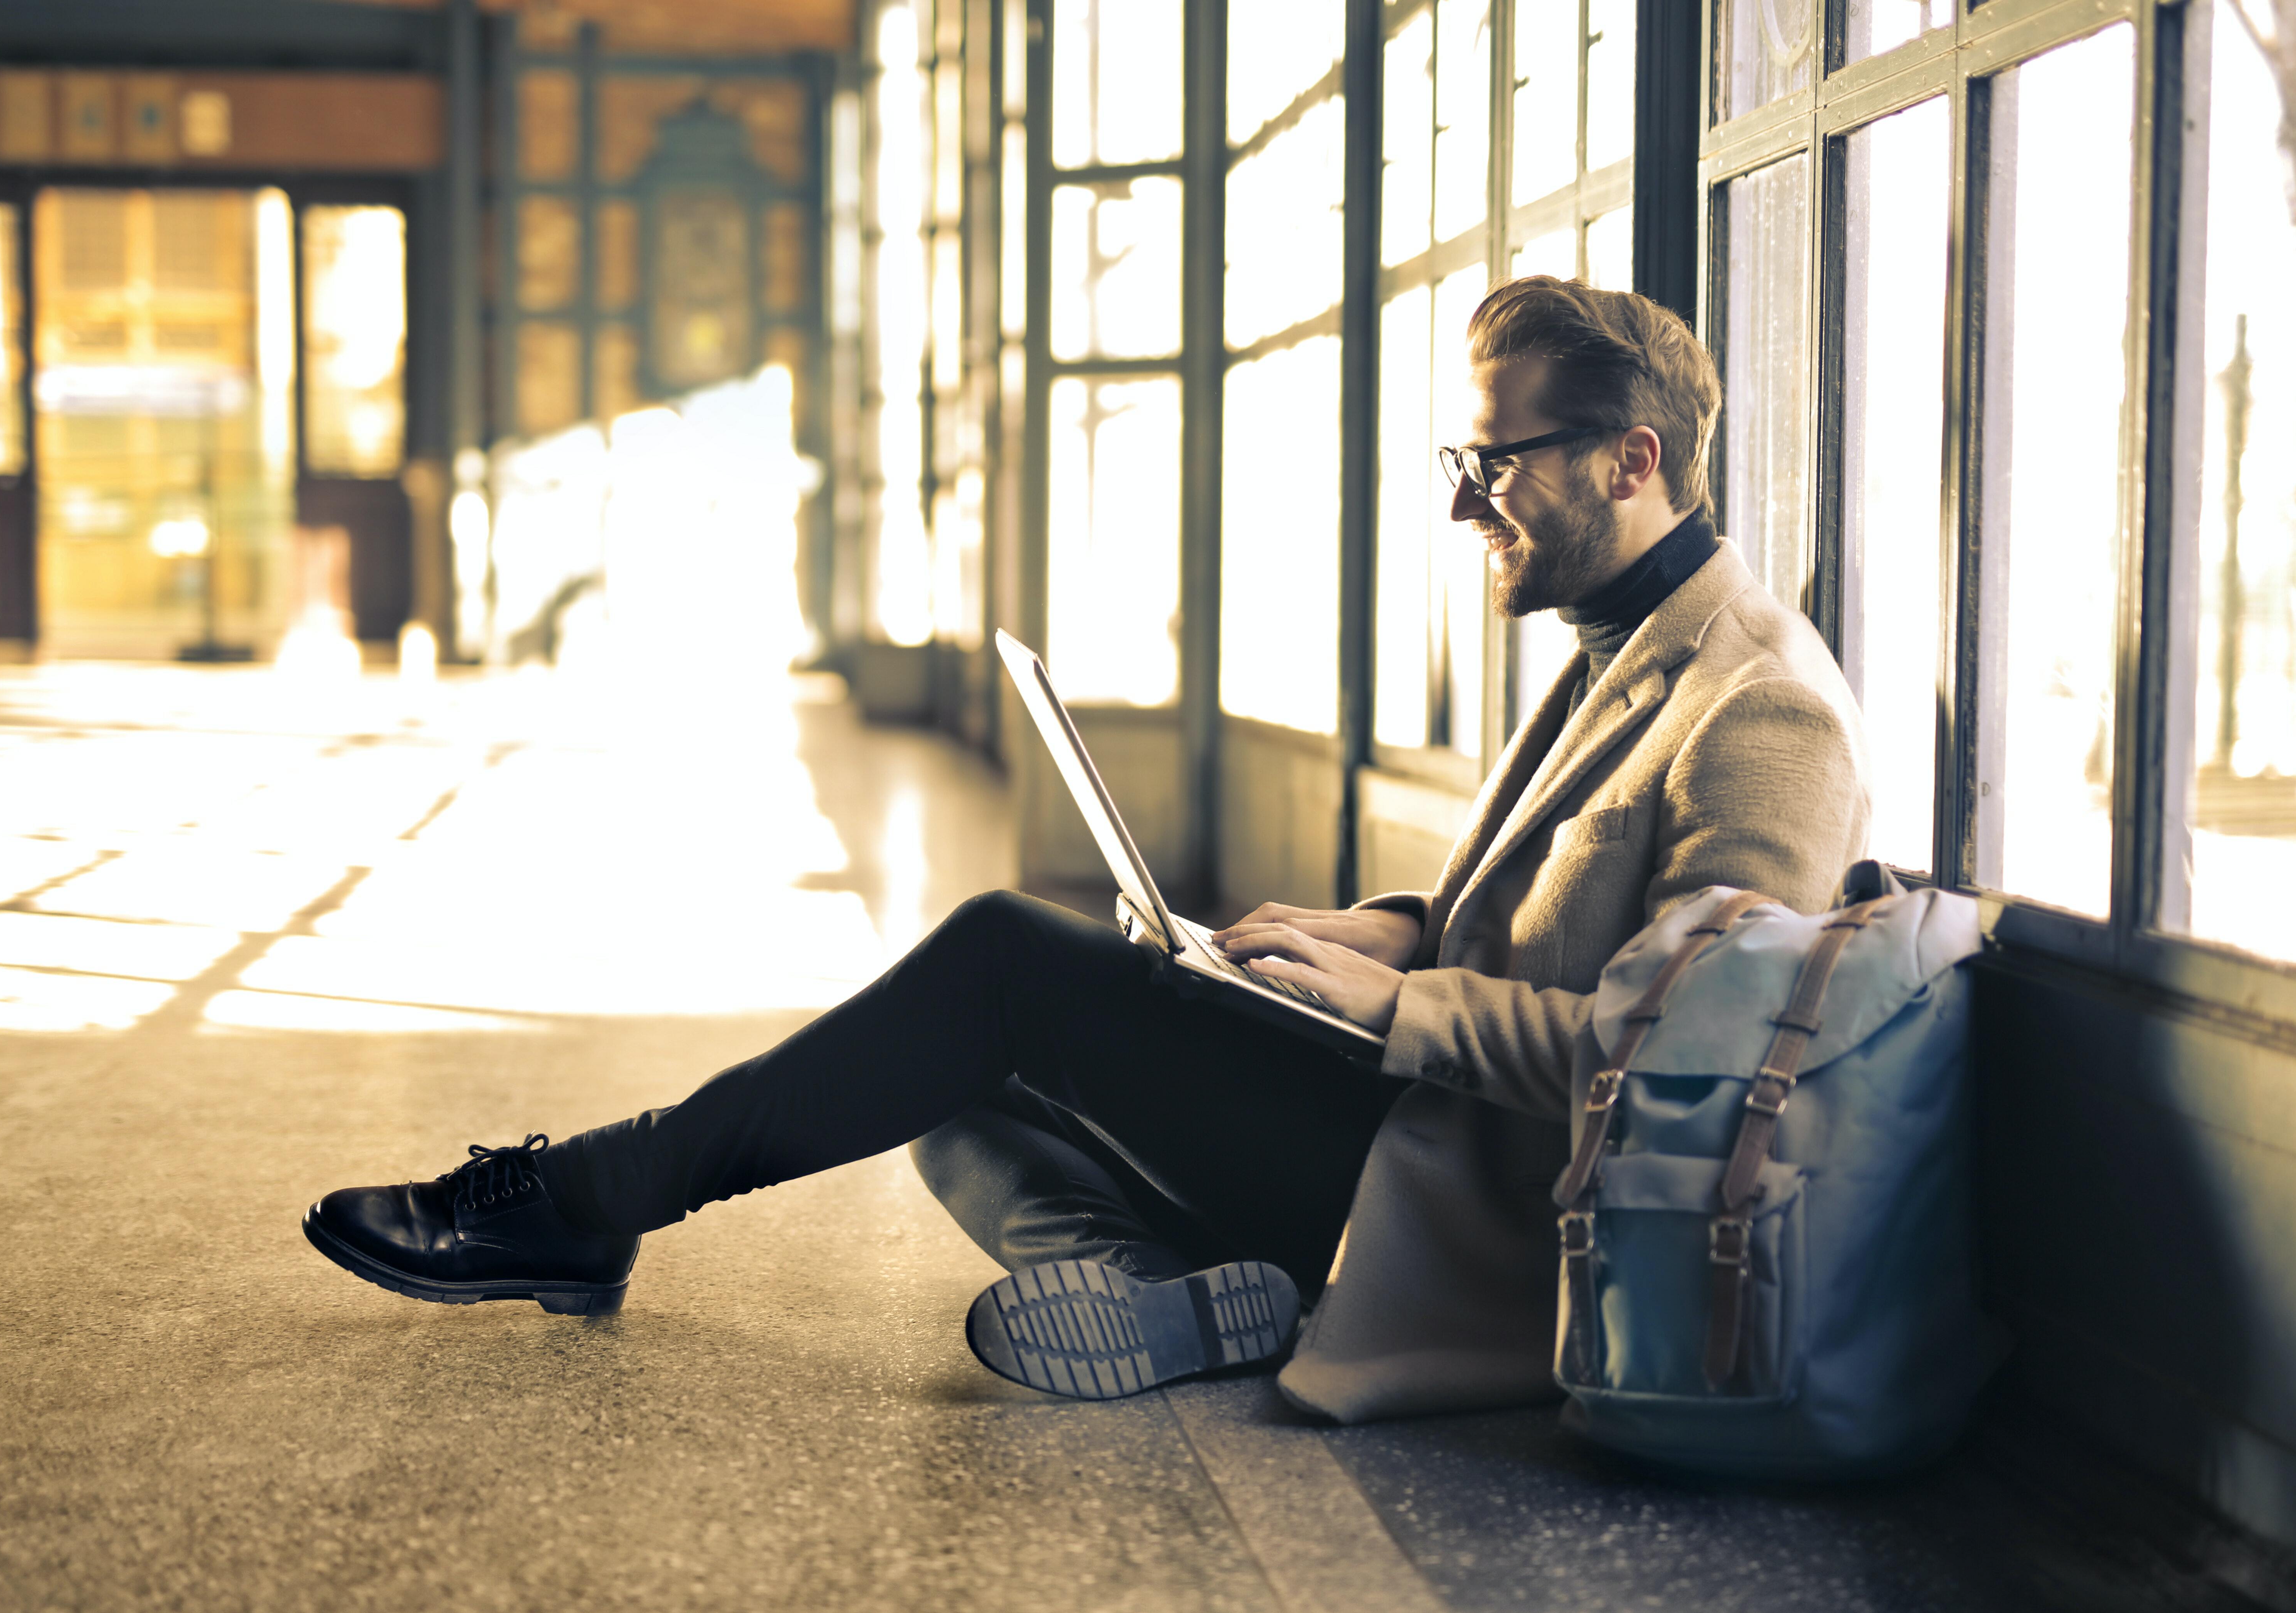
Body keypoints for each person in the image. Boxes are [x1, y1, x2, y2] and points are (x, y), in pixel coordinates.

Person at [301, 277, 1868, 1416]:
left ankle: (582, 1202)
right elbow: (1541, 920)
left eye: (1493, 465)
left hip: (1470, 1208)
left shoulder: (1756, 709)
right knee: (935, 1089)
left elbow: (1691, 1072)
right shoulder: (1625, 639)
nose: (1467, 507)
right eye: (1459, 469)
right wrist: (1379, 932)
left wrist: (1387, 1009)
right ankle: (1167, 1294)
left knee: (996, 957)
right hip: (1400, 1122)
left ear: (1631, 458)